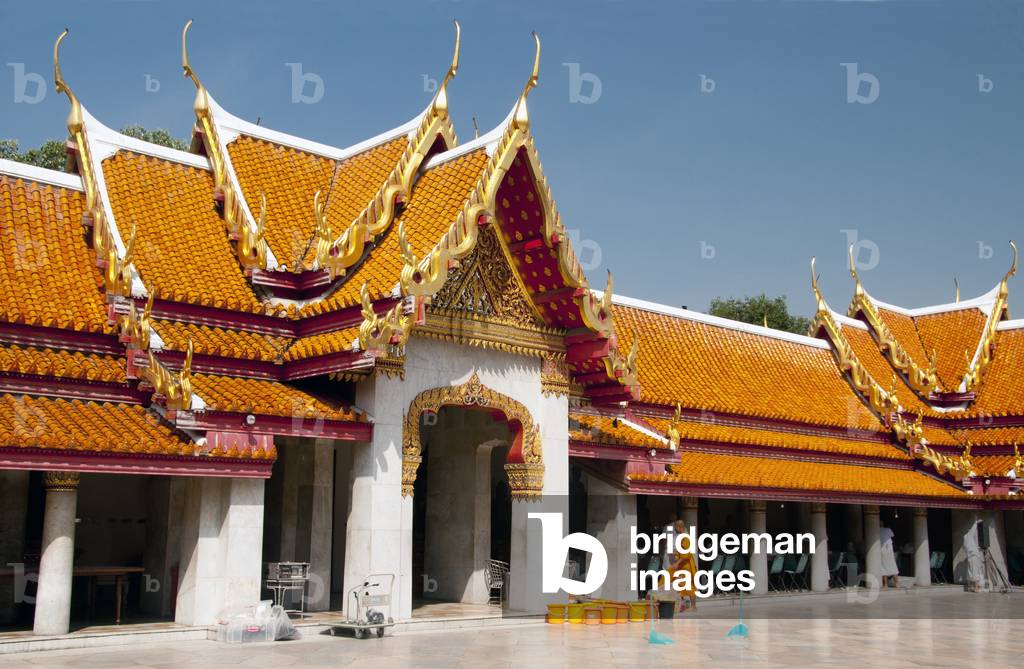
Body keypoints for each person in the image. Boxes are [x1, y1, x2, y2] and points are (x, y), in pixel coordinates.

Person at [879, 523, 899, 588]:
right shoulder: (888, 529)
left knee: (883, 567)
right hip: (889, 551)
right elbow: (892, 536)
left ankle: (885, 585)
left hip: (882, 551)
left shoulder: (877, 530)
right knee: (893, 566)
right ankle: (897, 584)